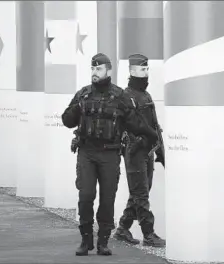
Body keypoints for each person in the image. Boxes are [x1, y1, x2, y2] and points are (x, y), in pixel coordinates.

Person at [61, 53, 158, 256]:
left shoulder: (120, 96)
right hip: (87, 153)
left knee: (107, 199)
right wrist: (77, 109)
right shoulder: (84, 94)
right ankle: (86, 239)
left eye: (99, 69)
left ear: (108, 70)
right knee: (86, 196)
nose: (94, 73)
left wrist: (152, 135)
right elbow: (67, 120)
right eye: (93, 69)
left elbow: (135, 122)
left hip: (110, 154)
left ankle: (103, 241)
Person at [113, 54, 166, 247]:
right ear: (132, 71)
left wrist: (161, 152)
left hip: (148, 152)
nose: (146, 73)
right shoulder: (126, 96)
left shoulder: (146, 96)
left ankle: (123, 228)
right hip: (134, 152)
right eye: (143, 70)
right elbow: (134, 124)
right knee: (141, 194)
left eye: (147, 69)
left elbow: (154, 123)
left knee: (141, 192)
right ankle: (149, 234)